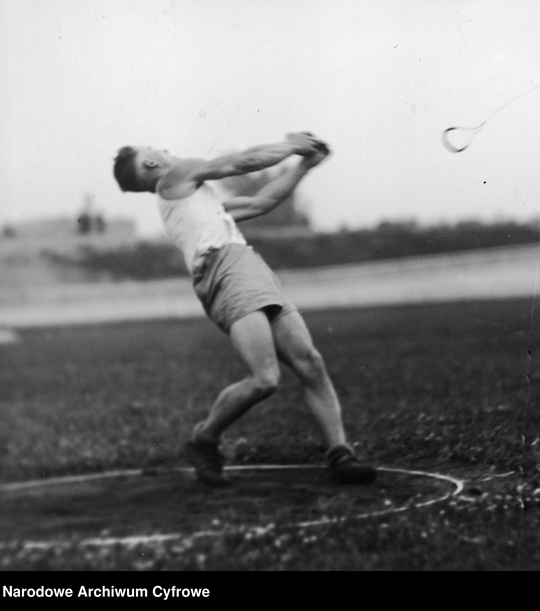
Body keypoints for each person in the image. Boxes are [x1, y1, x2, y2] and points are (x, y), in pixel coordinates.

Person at [112, 132, 376, 486]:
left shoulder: (195, 200)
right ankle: (204, 438)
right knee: (265, 379)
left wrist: (305, 165)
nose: (164, 149)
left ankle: (340, 454)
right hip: (225, 269)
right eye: (155, 149)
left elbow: (261, 203)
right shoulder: (176, 176)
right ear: (149, 162)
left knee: (310, 363)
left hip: (246, 266)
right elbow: (240, 163)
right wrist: (293, 146)